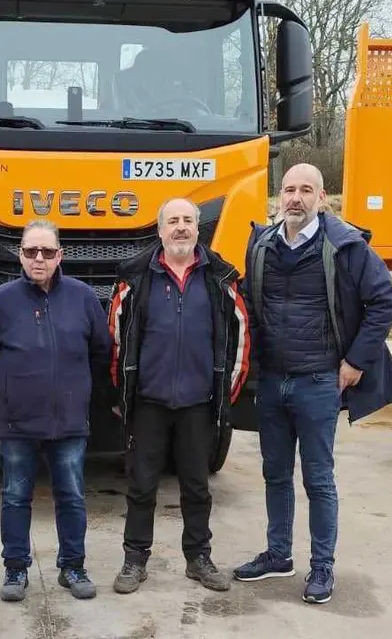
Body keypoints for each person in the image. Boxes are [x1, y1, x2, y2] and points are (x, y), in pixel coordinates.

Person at [233, 163, 392, 604]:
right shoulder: (262, 245)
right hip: (271, 382)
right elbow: (249, 302)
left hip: (318, 383)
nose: (295, 198)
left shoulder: (346, 247)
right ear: (278, 196)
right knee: (274, 474)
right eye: (288, 189)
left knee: (318, 478)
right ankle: (277, 555)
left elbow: (384, 301)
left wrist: (354, 361)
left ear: (321, 198)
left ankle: (322, 568)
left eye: (306, 190)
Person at [106, 198, 251, 596]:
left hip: (198, 405)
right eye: (173, 221)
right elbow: (117, 339)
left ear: (198, 228)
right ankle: (135, 559)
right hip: (149, 403)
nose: (181, 228)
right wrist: (123, 393)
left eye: (188, 220)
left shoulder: (219, 278)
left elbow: (240, 339)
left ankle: (198, 558)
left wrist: (225, 395)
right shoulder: (136, 279)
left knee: (197, 486)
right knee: (141, 485)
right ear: (160, 230)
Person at [0, 219, 111, 603]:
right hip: (17, 422)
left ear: (60, 255)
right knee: (16, 497)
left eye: (47, 252)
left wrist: (82, 395)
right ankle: (15, 569)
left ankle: (72, 566)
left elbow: (101, 352)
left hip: (69, 422)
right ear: (19, 254)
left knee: (72, 497)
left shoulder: (83, 298)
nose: (39, 258)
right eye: (31, 251)